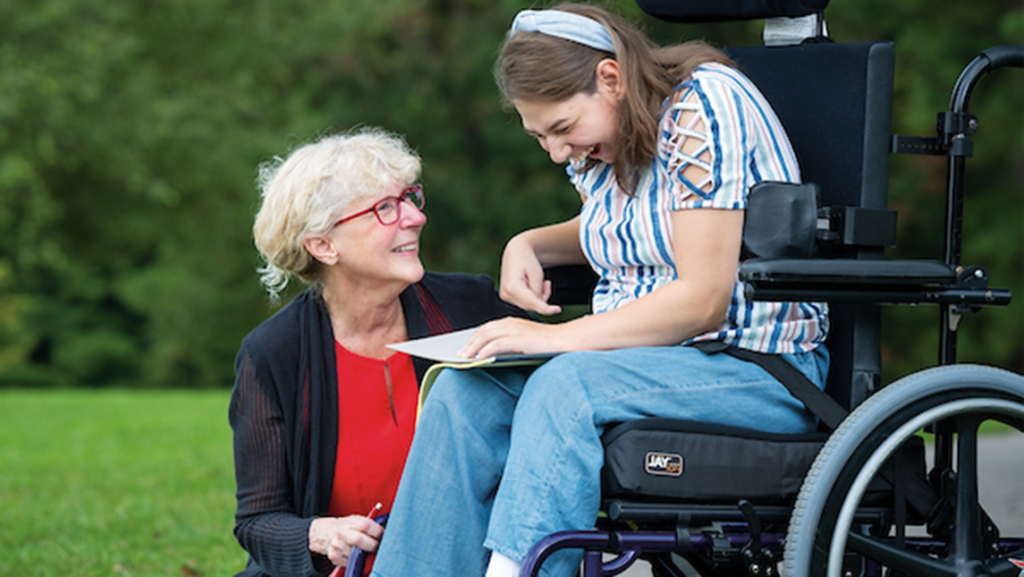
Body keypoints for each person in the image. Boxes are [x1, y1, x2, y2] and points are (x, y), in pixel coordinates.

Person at [370, 4, 829, 577]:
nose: (558, 152)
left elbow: (701, 299)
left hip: (754, 368)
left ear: (610, 79)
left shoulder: (701, 107)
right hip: (647, 367)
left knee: (566, 387)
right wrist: (531, 243)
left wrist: (553, 337)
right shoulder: (609, 141)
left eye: (562, 129)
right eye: (540, 136)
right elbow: (628, 231)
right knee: (465, 396)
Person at [229, 127, 528, 577]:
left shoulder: (472, 306)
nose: (415, 217)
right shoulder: (273, 353)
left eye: (409, 198)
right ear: (324, 246)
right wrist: (321, 534)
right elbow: (257, 523)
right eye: (385, 208)